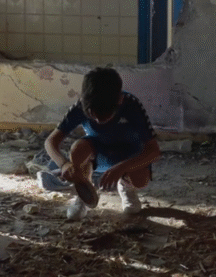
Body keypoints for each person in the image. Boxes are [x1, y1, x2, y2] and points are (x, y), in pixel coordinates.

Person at [43, 67, 160, 220]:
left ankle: (126, 187)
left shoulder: (132, 105)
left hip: (128, 153)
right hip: (99, 152)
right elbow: (50, 141)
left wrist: (122, 168)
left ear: (119, 100)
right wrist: (64, 164)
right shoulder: (80, 106)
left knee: (140, 179)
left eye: (105, 115)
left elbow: (154, 151)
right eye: (93, 115)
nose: (98, 120)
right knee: (78, 149)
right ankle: (83, 192)